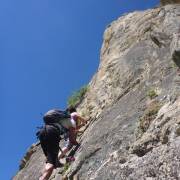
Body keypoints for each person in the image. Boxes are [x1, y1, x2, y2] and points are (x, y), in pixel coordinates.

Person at [38, 109, 70, 180]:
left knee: (50, 158)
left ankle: (53, 164)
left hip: (42, 132)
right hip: (51, 131)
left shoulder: (52, 119)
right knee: (50, 165)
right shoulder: (67, 119)